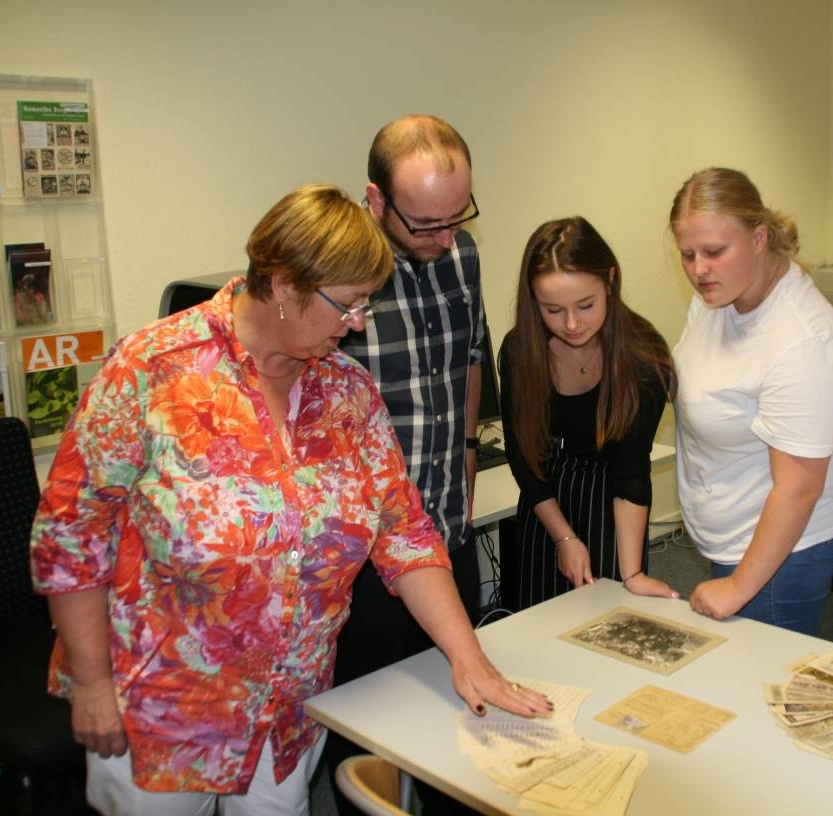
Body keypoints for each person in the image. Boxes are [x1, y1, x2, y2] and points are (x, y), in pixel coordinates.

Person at [28, 183, 550, 815]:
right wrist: (90, 683)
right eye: (348, 305)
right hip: (163, 711)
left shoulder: (346, 392)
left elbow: (405, 532)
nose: (358, 324)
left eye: (367, 305)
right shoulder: (152, 370)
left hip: (288, 713)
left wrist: (469, 658)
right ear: (281, 286)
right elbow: (69, 536)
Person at [331, 114, 487, 815]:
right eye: (425, 225)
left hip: (448, 530)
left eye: (457, 217)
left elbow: (469, 361)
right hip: (364, 560)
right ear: (376, 202)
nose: (443, 239)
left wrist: (469, 462)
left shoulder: (463, 254)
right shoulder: (339, 282)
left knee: (463, 718)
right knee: (368, 734)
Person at [668, 167, 833, 636]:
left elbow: (797, 488)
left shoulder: (800, 340)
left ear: (759, 239)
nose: (699, 269)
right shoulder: (719, 295)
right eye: (687, 254)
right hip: (735, 527)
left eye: (714, 252)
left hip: (787, 541)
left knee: (760, 684)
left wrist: (739, 586)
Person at [499, 216, 677, 610]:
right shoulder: (519, 351)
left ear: (610, 281)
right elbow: (522, 454)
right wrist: (563, 537)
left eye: (585, 305)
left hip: (611, 501)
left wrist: (632, 575)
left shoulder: (645, 358)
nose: (572, 324)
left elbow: (630, 471)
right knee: (541, 622)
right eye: (553, 310)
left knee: (610, 616)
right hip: (544, 497)